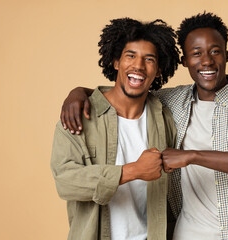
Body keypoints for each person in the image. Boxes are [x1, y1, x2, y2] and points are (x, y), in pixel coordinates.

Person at [61, 12, 228, 239]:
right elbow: (132, 88)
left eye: (215, 51)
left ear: (226, 54)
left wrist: (192, 156)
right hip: (185, 234)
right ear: (185, 61)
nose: (206, 61)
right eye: (196, 53)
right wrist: (80, 93)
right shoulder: (174, 101)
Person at [51, 17, 179, 240]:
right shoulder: (79, 116)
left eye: (149, 59)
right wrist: (132, 171)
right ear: (116, 62)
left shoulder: (164, 116)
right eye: (130, 56)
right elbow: (65, 181)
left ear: (158, 70)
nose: (138, 65)